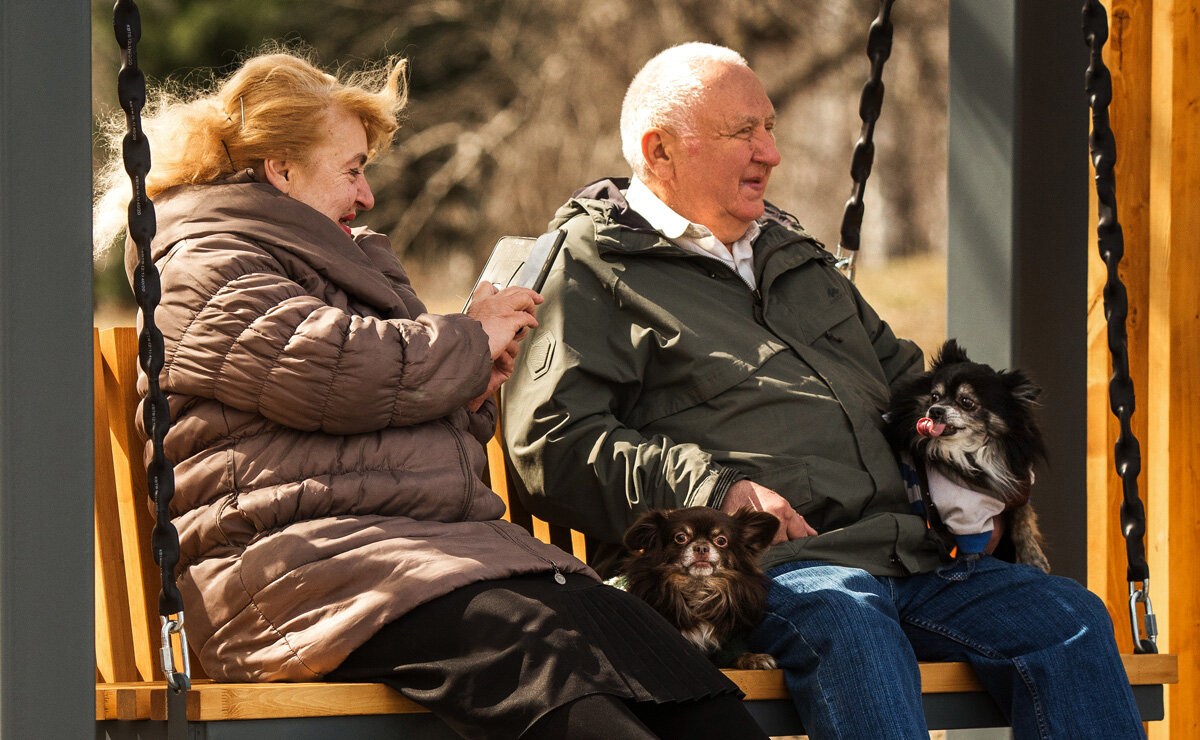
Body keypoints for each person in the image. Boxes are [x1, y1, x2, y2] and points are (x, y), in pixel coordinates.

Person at [92, 50, 771, 740]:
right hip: (300, 575)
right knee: (536, 651)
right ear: (283, 169)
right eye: (353, 169)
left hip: (414, 557)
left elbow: (379, 406)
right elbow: (333, 369)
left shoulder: (336, 261)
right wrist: (468, 344)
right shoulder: (203, 263)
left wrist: (472, 387)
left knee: (645, 648)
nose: (367, 197)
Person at [501, 42, 1146, 739]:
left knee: (1069, 620)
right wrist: (716, 491)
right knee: (850, 620)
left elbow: (907, 386)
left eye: (770, 127)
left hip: (908, 554)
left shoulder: (793, 257)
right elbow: (553, 443)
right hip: (762, 567)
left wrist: (980, 456)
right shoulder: (591, 269)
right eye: (743, 132)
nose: (771, 152)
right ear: (660, 151)